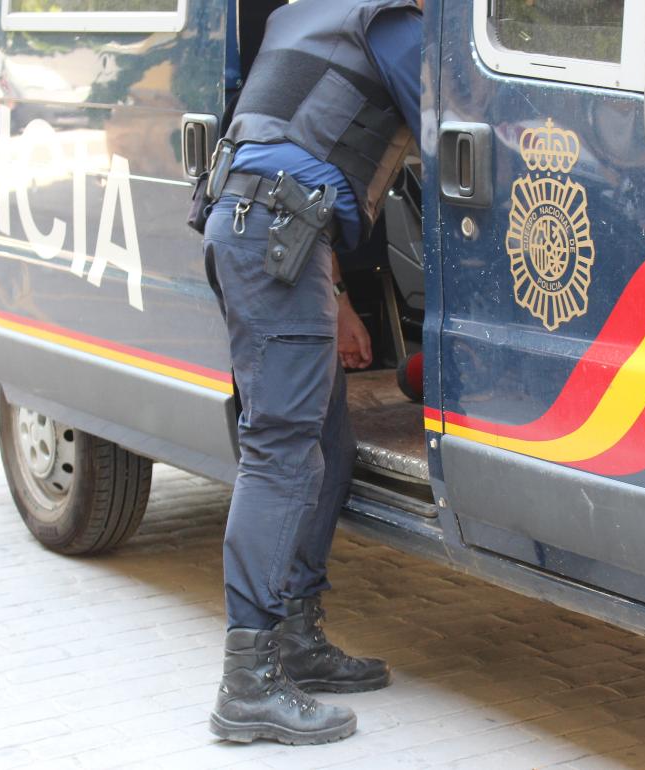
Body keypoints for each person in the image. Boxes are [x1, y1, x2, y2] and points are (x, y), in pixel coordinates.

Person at [197, 0, 423, 746]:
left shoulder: (311, 15)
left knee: (326, 442)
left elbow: (302, 143)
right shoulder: (390, 23)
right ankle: (247, 683)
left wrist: (341, 299)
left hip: (264, 230)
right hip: (275, 237)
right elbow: (456, 130)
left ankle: (296, 634)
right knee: (282, 454)